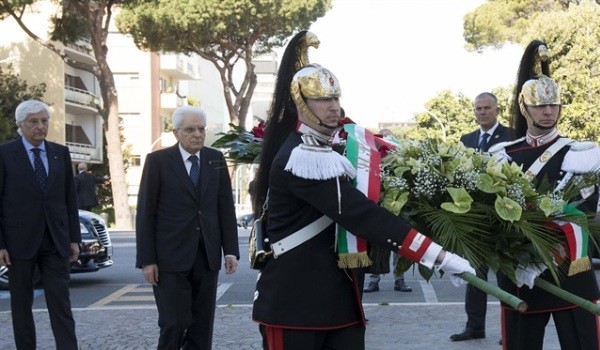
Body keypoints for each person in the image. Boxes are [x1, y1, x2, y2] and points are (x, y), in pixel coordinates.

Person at [251, 30, 475, 350]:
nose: (334, 107)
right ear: (299, 101)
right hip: (295, 306)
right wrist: (438, 256)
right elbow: (361, 214)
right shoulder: (301, 157)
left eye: (336, 98)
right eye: (323, 99)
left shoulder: (327, 151)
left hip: (339, 303)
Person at [490, 40, 600, 349]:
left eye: (553, 105)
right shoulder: (502, 155)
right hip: (522, 275)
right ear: (525, 107)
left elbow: (586, 211)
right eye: (540, 105)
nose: (548, 111)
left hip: (570, 269)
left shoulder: (584, 153)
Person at [136, 105, 240, 349]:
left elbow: (225, 208)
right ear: (176, 133)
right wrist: (147, 259)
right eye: (190, 129)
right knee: (173, 322)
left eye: (201, 129)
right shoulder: (158, 161)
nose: (197, 134)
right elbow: (145, 213)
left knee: (201, 325)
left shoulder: (215, 159)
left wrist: (231, 250)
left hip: (206, 255)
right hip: (169, 258)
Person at [0, 100, 80, 349]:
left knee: (61, 304)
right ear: (20, 125)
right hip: (18, 243)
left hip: (55, 241)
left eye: (44, 121)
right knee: (21, 306)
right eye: (33, 122)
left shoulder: (60, 153)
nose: (40, 126)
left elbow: (69, 199)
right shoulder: (4, 154)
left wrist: (73, 238)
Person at [450, 92, 511, 341]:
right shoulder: (466, 139)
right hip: (474, 219)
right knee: (475, 275)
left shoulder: (512, 136)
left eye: (487, 108)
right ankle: (475, 327)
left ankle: (510, 328)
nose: (482, 112)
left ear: (497, 110)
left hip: (504, 218)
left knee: (507, 276)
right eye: (478, 108)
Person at [363, 128, 412, 294]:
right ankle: (374, 280)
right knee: (377, 247)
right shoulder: (372, 159)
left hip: (398, 209)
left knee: (400, 247)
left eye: (387, 138)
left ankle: (400, 280)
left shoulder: (399, 159)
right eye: (382, 138)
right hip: (379, 210)